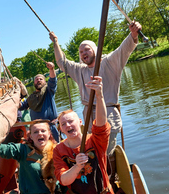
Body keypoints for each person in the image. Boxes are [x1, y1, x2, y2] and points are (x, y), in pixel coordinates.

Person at [49, 21, 142, 157]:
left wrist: (133, 33)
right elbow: (62, 62)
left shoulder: (109, 62)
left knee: (105, 154)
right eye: (81, 52)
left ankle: (109, 175)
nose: (83, 53)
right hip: (88, 118)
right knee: (92, 153)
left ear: (95, 50)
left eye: (87, 49)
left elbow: (124, 49)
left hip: (108, 115)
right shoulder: (79, 70)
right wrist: (55, 43)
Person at [19, 62, 59, 142]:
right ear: (34, 83)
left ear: (45, 82)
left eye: (41, 79)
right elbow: (22, 106)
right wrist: (16, 97)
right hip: (37, 129)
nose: (38, 80)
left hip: (50, 127)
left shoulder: (49, 91)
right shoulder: (31, 97)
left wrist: (51, 69)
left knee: (55, 148)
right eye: (36, 79)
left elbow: (53, 81)